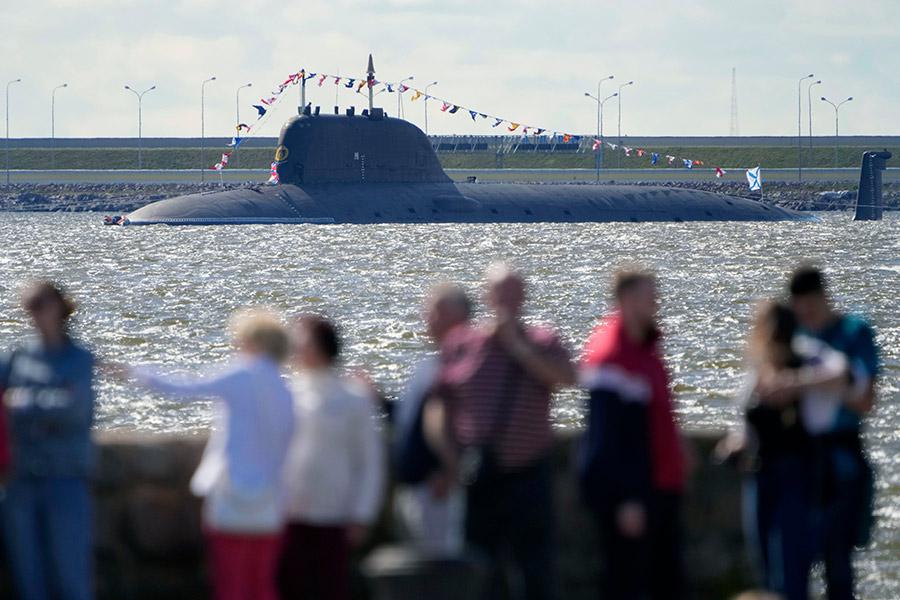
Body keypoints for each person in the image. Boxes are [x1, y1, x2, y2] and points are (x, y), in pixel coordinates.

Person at [125, 309, 295, 600]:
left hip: (231, 498)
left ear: (252, 342)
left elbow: (185, 387)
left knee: (230, 583)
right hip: (270, 501)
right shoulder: (285, 389)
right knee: (262, 585)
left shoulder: (241, 375)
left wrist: (136, 372)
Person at [435, 263, 575, 600]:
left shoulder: (544, 340)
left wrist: (518, 347)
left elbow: (567, 378)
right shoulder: (462, 343)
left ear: (523, 296)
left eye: (512, 292)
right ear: (486, 296)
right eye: (499, 292)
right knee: (482, 568)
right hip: (481, 473)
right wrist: (449, 458)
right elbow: (442, 403)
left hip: (529, 472)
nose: (505, 300)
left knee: (535, 569)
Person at [578, 268, 687, 600]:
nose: (656, 302)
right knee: (627, 584)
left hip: (658, 486)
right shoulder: (612, 355)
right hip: (632, 496)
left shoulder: (644, 347)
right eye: (648, 295)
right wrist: (626, 498)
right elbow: (605, 437)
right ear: (626, 299)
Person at [788, 266, 879, 600]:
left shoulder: (854, 332)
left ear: (824, 298)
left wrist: (818, 382)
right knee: (794, 560)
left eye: (811, 309)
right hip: (799, 456)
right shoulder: (795, 334)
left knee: (838, 560)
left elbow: (866, 401)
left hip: (841, 456)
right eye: (801, 311)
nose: (807, 318)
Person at [278, 315, 385, 600]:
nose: (296, 349)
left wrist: (362, 514)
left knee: (329, 588)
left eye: (304, 342)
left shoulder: (353, 398)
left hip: (334, 513)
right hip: (290, 511)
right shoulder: (288, 394)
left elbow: (369, 461)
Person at [0, 280, 95, 600]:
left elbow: (74, 409)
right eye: (30, 309)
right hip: (21, 480)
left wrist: (22, 401)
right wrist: (46, 400)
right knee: (29, 581)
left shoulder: (79, 359)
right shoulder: (17, 357)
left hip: (65, 480)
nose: (35, 316)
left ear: (59, 308)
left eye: (40, 306)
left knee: (70, 579)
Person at [393, 283, 471, 554]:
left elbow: (470, 421)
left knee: (441, 566)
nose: (427, 317)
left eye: (436, 311)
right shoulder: (430, 363)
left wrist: (448, 470)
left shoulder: (465, 363)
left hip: (437, 488)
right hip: (414, 487)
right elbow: (409, 417)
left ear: (459, 316)